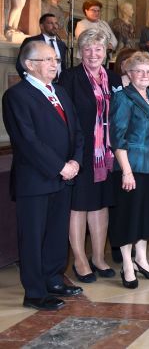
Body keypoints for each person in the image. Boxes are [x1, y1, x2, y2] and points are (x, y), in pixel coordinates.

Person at [3, 41, 83, 310]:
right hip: (36, 179)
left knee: (56, 233)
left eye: (56, 60)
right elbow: (28, 140)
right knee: (33, 236)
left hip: (64, 176)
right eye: (48, 59)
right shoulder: (17, 96)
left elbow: (77, 131)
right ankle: (35, 292)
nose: (54, 64)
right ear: (29, 65)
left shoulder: (59, 91)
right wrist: (59, 166)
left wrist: (74, 161)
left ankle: (53, 278)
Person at [59, 29, 122, 283]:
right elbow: (65, 117)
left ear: (106, 51)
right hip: (80, 151)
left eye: (98, 48)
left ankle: (98, 257)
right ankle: (80, 260)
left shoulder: (114, 78)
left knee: (101, 203)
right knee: (79, 206)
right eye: (87, 49)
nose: (93, 53)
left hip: (105, 153)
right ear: (80, 52)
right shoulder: (70, 78)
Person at [109, 52, 149, 288]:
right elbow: (117, 137)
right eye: (139, 71)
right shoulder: (123, 98)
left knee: (146, 216)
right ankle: (126, 264)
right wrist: (126, 171)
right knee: (128, 217)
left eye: (148, 71)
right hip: (131, 166)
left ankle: (141, 259)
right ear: (129, 74)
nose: (144, 75)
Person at [17, 13, 68, 80]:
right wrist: (30, 81)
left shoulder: (61, 44)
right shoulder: (31, 41)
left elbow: (63, 66)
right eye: (50, 23)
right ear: (42, 26)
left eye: (56, 23)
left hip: (59, 84)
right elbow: (20, 65)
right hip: (38, 84)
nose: (55, 26)